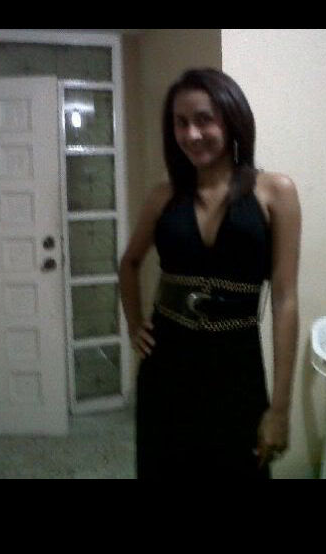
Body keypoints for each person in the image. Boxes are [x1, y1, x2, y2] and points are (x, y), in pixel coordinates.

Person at [119, 68, 301, 478]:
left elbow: (285, 299)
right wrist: (134, 325)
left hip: (237, 370)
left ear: (232, 119)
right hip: (166, 368)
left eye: (204, 119)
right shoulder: (164, 196)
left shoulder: (276, 192)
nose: (192, 134)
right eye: (181, 123)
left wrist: (280, 409)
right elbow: (128, 263)